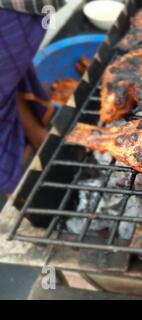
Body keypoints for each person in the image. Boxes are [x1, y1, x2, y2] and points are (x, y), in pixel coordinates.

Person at [0, 0, 65, 195]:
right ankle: (39, 143)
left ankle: (21, 189)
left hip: (14, 10)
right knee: (8, 83)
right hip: (24, 9)